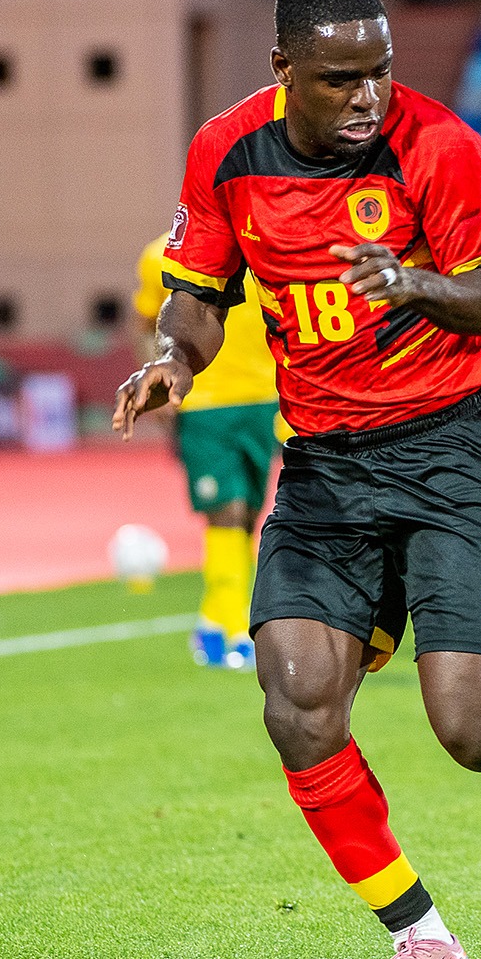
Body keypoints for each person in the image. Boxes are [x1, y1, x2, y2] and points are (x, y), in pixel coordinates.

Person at [113, 0, 481, 959]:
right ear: (284, 72)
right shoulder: (227, 152)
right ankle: (423, 939)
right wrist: (174, 359)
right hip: (322, 465)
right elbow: (198, 293)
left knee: (472, 739)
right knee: (298, 702)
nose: (367, 96)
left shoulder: (436, 144)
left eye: (379, 73)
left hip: (450, 449)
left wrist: (411, 282)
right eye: (341, 78)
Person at [132, 234, 282, 666]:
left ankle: (212, 623)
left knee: (249, 515)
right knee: (227, 510)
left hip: (264, 399)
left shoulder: (267, 243)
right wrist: (156, 379)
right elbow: (144, 323)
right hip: (202, 404)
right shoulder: (162, 253)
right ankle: (238, 631)